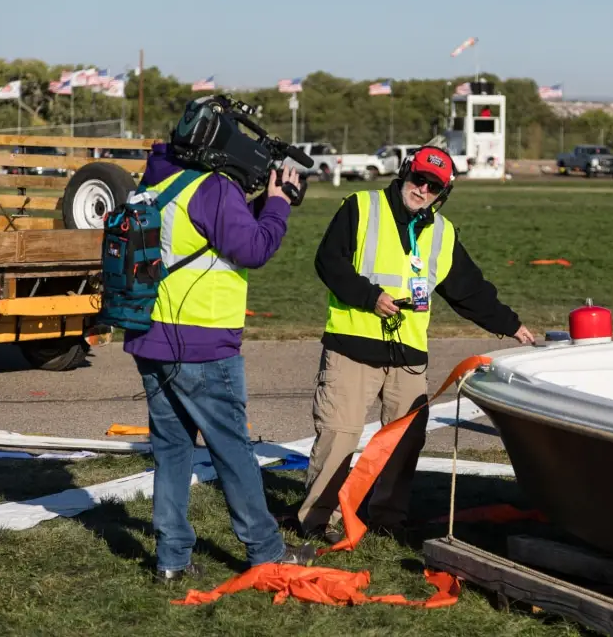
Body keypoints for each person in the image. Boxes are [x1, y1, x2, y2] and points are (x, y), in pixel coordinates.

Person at [297, 145, 535, 542]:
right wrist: (369, 296)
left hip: (408, 357)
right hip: (352, 345)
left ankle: (387, 517)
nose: (422, 189)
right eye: (418, 178)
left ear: (442, 193)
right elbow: (329, 262)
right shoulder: (362, 207)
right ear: (405, 173)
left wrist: (511, 325)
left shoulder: (442, 232)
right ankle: (318, 520)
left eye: (433, 186)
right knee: (338, 436)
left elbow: (468, 289)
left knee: (405, 441)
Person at [124, 104, 316, 583]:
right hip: (203, 343)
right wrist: (278, 205)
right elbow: (253, 249)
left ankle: (171, 558)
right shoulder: (212, 187)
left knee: (171, 452)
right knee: (232, 451)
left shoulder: (159, 182)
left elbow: (210, 236)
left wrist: (260, 207)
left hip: (151, 338)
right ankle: (266, 551)